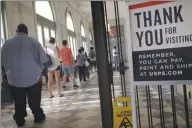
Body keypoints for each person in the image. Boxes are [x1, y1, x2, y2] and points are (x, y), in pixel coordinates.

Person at [1, 24, 46, 127]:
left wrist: (5, 76)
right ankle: (38, 116)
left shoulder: (7, 43)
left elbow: (2, 63)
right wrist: (42, 74)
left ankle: (20, 119)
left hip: (14, 78)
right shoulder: (34, 42)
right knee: (34, 100)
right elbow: (44, 60)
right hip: (34, 77)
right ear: (27, 31)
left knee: (18, 100)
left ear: (16, 31)